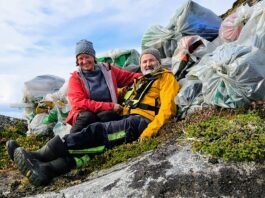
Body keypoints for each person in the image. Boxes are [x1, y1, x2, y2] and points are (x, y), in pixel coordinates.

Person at [6, 48, 180, 186]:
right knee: (93, 150)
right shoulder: (141, 82)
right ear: (140, 65)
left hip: (140, 123)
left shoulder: (165, 78)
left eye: (151, 60)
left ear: (159, 62)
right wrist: (119, 94)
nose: (148, 64)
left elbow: (167, 108)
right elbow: (124, 93)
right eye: (144, 61)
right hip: (127, 120)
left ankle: (40, 155)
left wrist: (149, 132)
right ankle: (46, 170)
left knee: (97, 132)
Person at [67, 39, 141, 133]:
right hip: (86, 114)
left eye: (87, 57)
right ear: (77, 61)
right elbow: (79, 102)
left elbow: (128, 77)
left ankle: (103, 140)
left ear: (93, 57)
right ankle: (70, 141)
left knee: (109, 115)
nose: (84, 61)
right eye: (80, 58)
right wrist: (110, 106)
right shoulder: (75, 78)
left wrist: (147, 74)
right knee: (87, 117)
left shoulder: (108, 70)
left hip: (105, 112)